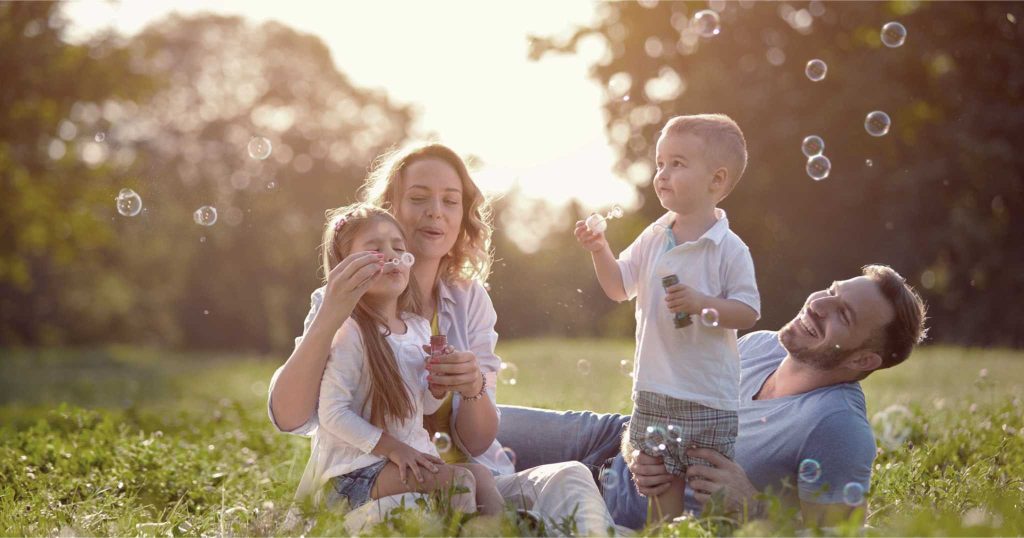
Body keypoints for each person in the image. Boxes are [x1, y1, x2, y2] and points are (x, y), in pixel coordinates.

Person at [268, 142, 615, 533]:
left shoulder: (468, 299)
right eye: (419, 198)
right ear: (390, 209)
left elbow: (477, 441)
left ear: (462, 217)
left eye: (451, 201)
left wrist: (472, 386)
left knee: (571, 476)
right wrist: (331, 316)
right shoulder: (343, 303)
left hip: (471, 478)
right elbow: (289, 417)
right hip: (381, 486)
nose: (436, 211)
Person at [497, 264, 928, 529]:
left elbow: (836, 535)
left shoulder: (838, 427)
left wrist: (753, 508)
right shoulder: (760, 345)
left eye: (843, 314)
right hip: (611, 438)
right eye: (832, 291)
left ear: (863, 359)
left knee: (495, 487)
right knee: (470, 420)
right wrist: (633, 443)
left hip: (627, 508)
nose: (819, 305)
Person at [573, 114, 760, 521]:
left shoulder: (729, 248)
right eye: (660, 163)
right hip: (655, 388)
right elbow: (619, 287)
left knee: (712, 492)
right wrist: (600, 250)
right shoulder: (654, 236)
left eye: (677, 163)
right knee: (659, 486)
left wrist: (702, 303)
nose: (662, 173)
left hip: (708, 396)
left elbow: (748, 311)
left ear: (716, 180)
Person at [294, 203, 503, 516]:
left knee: (481, 476)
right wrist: (394, 448)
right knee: (458, 482)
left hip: (400, 460)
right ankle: (471, 529)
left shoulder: (417, 328)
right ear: (347, 267)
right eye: (376, 249)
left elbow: (424, 408)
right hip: (353, 473)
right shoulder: (350, 331)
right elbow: (332, 413)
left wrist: (437, 388)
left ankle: (502, 529)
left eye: (399, 248)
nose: (392, 256)